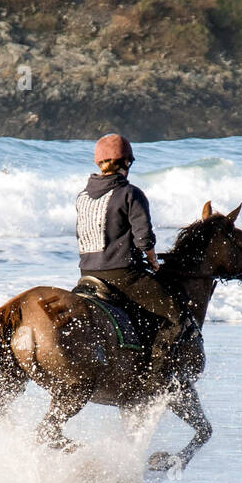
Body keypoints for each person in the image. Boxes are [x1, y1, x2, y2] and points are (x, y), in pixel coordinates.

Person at [75, 133, 186, 370]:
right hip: (122, 275)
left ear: (100, 163)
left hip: (87, 274)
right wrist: (153, 262)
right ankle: (155, 374)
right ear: (125, 162)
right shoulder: (130, 193)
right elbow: (143, 238)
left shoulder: (82, 197)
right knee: (175, 313)